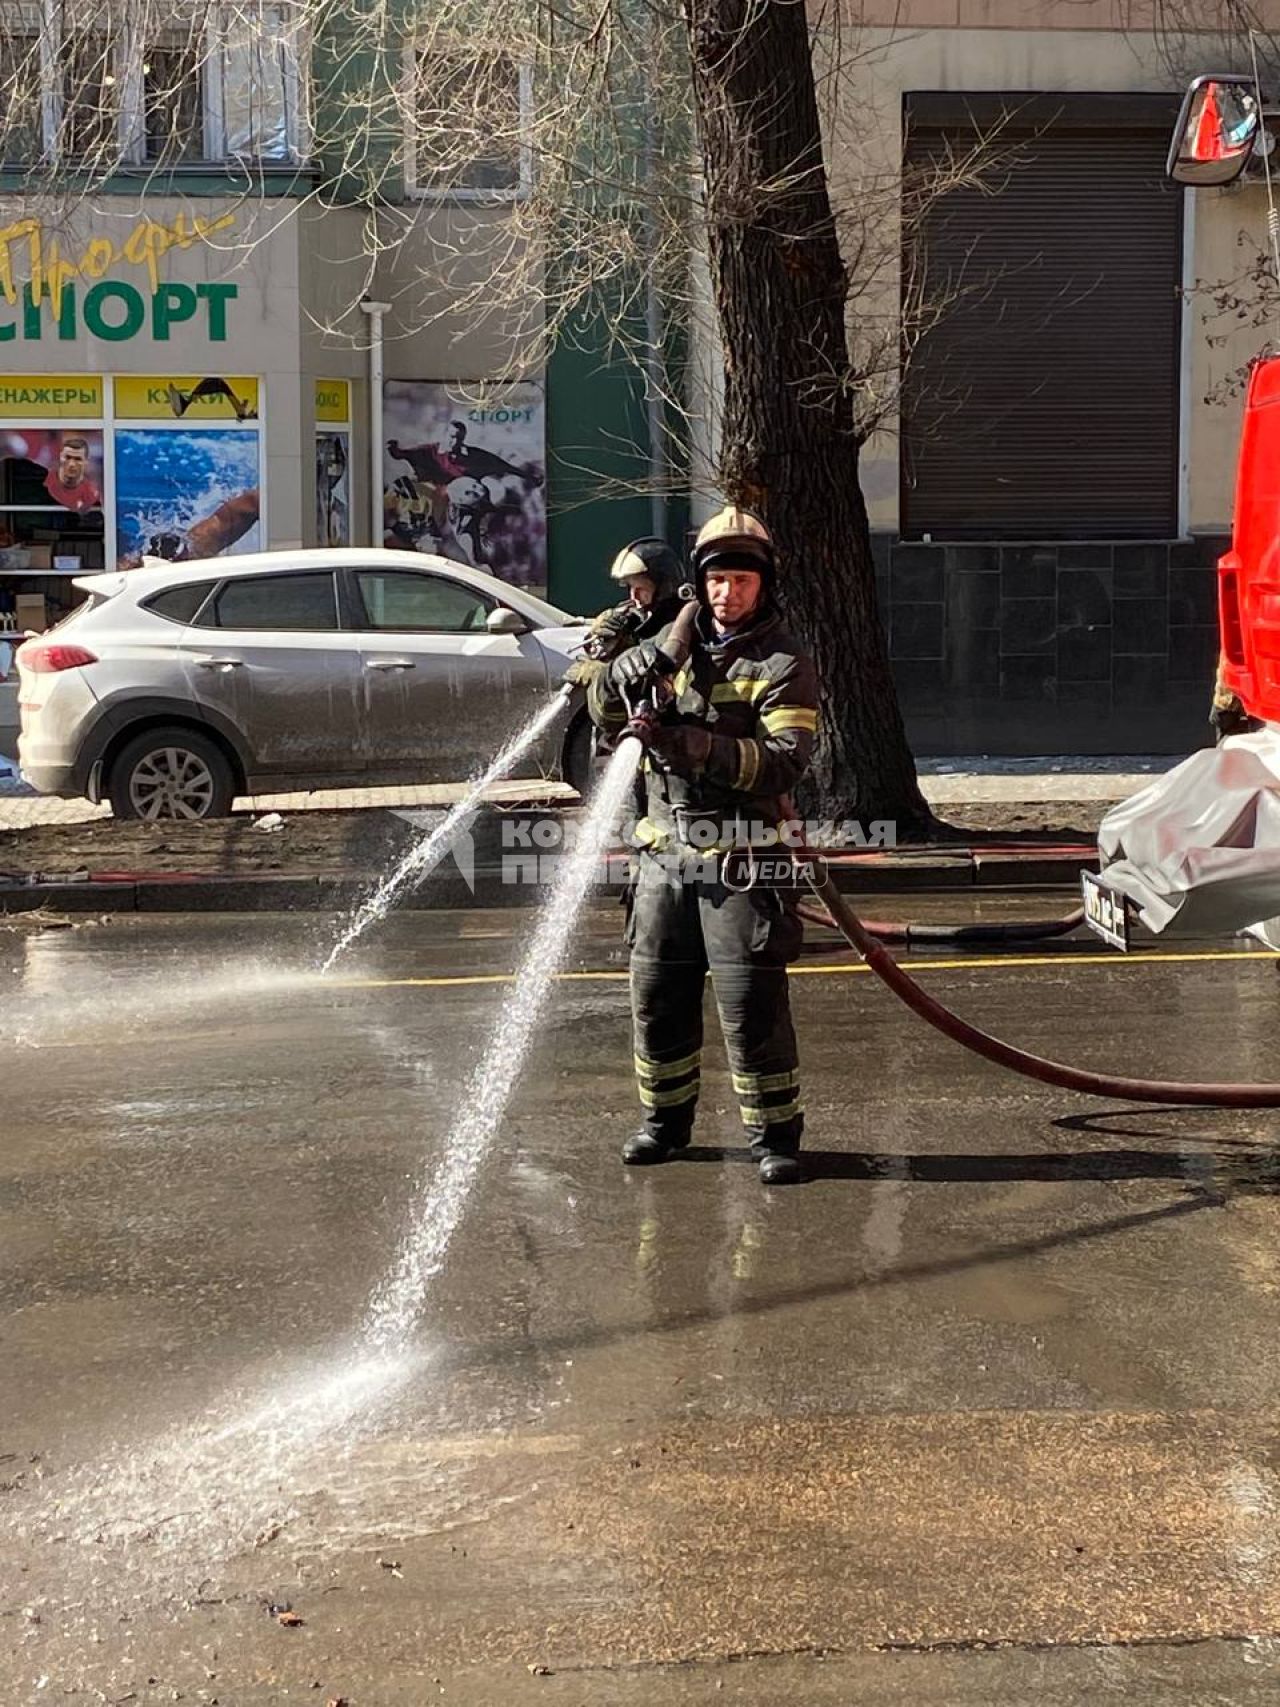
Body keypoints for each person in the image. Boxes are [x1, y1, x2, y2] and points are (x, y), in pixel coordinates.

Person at [588, 507, 820, 1186]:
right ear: (701, 583)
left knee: (751, 1003)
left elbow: (782, 762)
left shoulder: (784, 661)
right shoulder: (667, 644)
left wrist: (689, 745)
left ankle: (775, 1134)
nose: (728, 593)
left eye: (742, 580)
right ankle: (664, 1122)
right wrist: (618, 674)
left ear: (764, 584)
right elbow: (605, 718)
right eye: (717, 580)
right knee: (658, 993)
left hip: (745, 863)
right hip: (662, 859)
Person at [44, 435, 101, 514]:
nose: (72, 464)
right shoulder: (44, 480)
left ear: (86, 461)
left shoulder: (90, 495)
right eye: (67, 457)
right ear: (60, 457)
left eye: (78, 459)